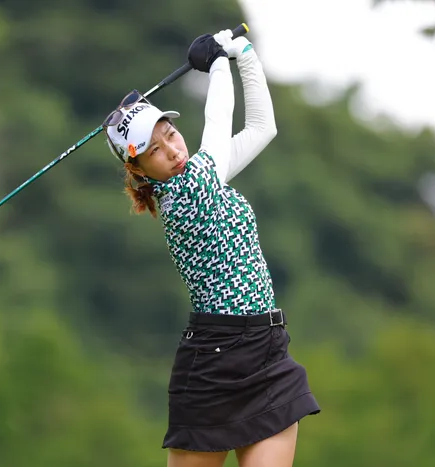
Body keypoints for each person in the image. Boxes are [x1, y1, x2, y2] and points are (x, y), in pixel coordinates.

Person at [103, 29, 320, 467]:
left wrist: (244, 55)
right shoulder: (186, 194)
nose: (172, 150)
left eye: (170, 134)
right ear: (139, 169)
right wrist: (218, 64)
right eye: (154, 150)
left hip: (267, 348)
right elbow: (218, 125)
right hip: (216, 361)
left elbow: (261, 128)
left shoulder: (203, 175)